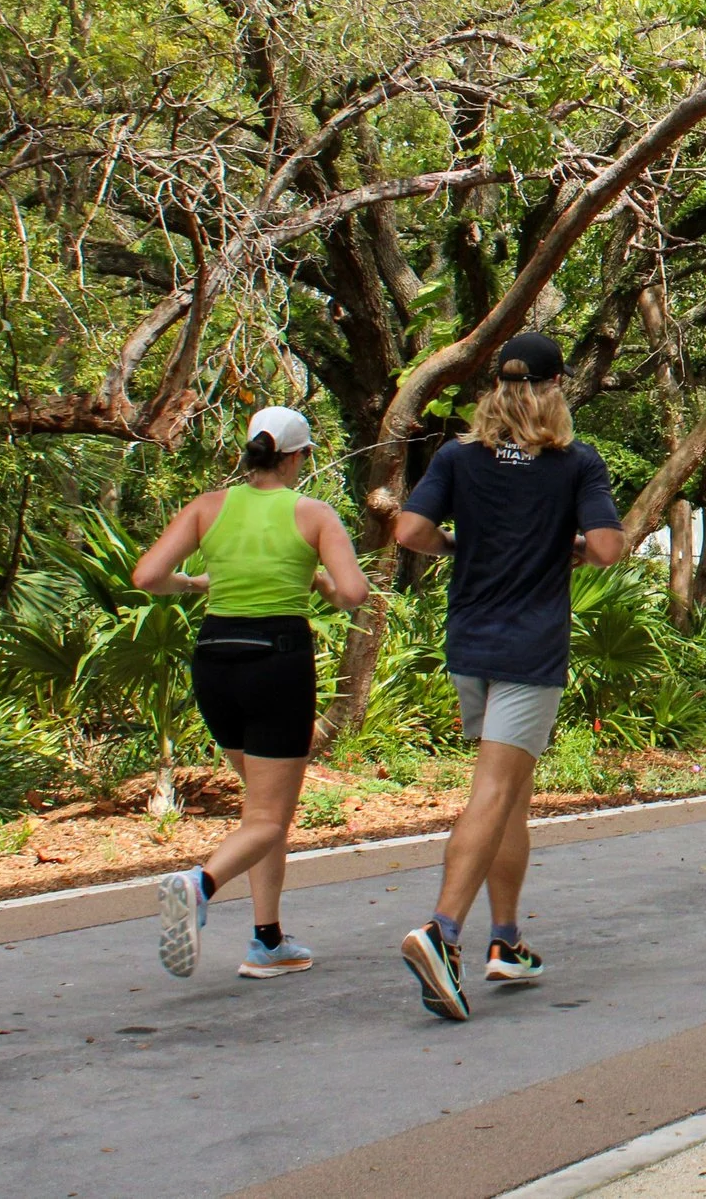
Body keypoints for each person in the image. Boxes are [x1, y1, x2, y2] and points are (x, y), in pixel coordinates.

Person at [392, 331, 624, 1021]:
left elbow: (408, 530)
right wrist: (573, 544)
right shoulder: (575, 462)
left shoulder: (459, 457)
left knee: (512, 794)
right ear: (555, 387)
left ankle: (506, 938)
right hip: (530, 649)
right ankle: (443, 930)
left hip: (471, 643)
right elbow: (608, 546)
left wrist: (458, 542)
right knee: (493, 791)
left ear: (497, 387)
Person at [131, 406, 371, 980]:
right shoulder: (312, 514)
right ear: (295, 457)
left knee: (262, 811)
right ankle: (198, 885)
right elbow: (354, 593)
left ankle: (268, 940)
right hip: (277, 661)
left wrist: (191, 583)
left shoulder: (207, 506)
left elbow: (146, 577)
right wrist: (317, 579)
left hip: (215, 659)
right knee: (269, 815)